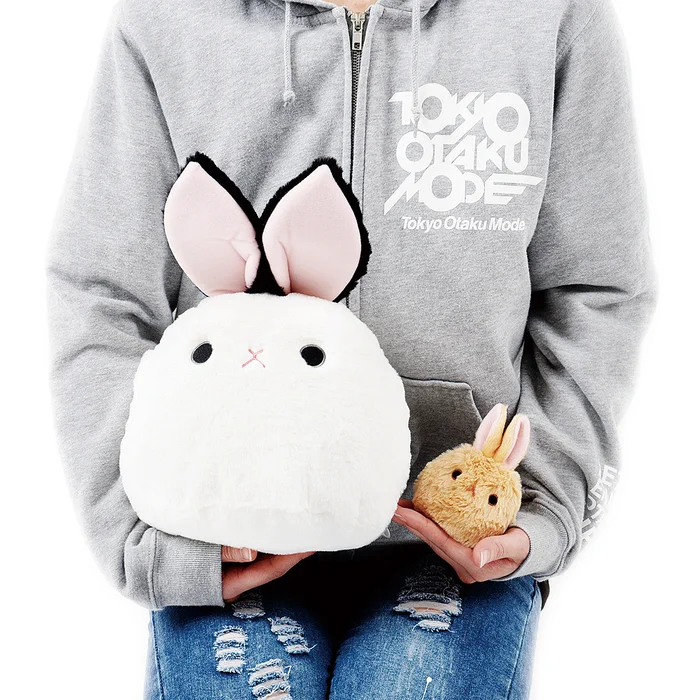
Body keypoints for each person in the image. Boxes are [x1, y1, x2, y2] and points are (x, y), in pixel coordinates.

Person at [47, 0, 655, 697]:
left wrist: (539, 506)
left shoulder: (551, 15)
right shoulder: (166, 18)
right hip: (228, 522)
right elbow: (102, 293)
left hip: (451, 531)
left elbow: (596, 290)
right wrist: (151, 545)